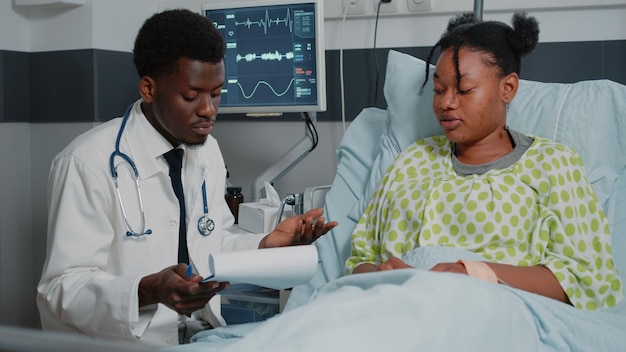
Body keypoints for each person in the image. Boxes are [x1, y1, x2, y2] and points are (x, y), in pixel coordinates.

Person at [37, 8, 337, 347]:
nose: (209, 110)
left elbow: (212, 243)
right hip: (125, 342)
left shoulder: (206, 150)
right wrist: (149, 290)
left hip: (200, 335)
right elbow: (62, 288)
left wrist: (267, 244)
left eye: (217, 93)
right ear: (149, 89)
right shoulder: (87, 163)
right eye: (191, 96)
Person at [346, 12, 623, 310]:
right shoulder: (412, 160)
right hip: (392, 309)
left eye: (464, 90)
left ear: (508, 89)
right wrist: (382, 276)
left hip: (495, 314)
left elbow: (585, 279)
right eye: (438, 89)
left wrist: (473, 273)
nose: (446, 102)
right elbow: (360, 261)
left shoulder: (554, 165)